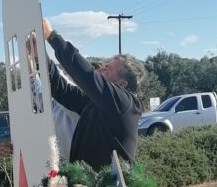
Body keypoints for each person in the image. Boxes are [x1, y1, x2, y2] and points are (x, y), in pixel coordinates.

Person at [42, 17, 145, 169]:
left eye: (107, 69)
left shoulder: (125, 104)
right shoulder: (96, 103)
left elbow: (87, 76)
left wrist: (52, 36)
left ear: (122, 84)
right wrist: (39, 57)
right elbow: (61, 89)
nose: (100, 69)